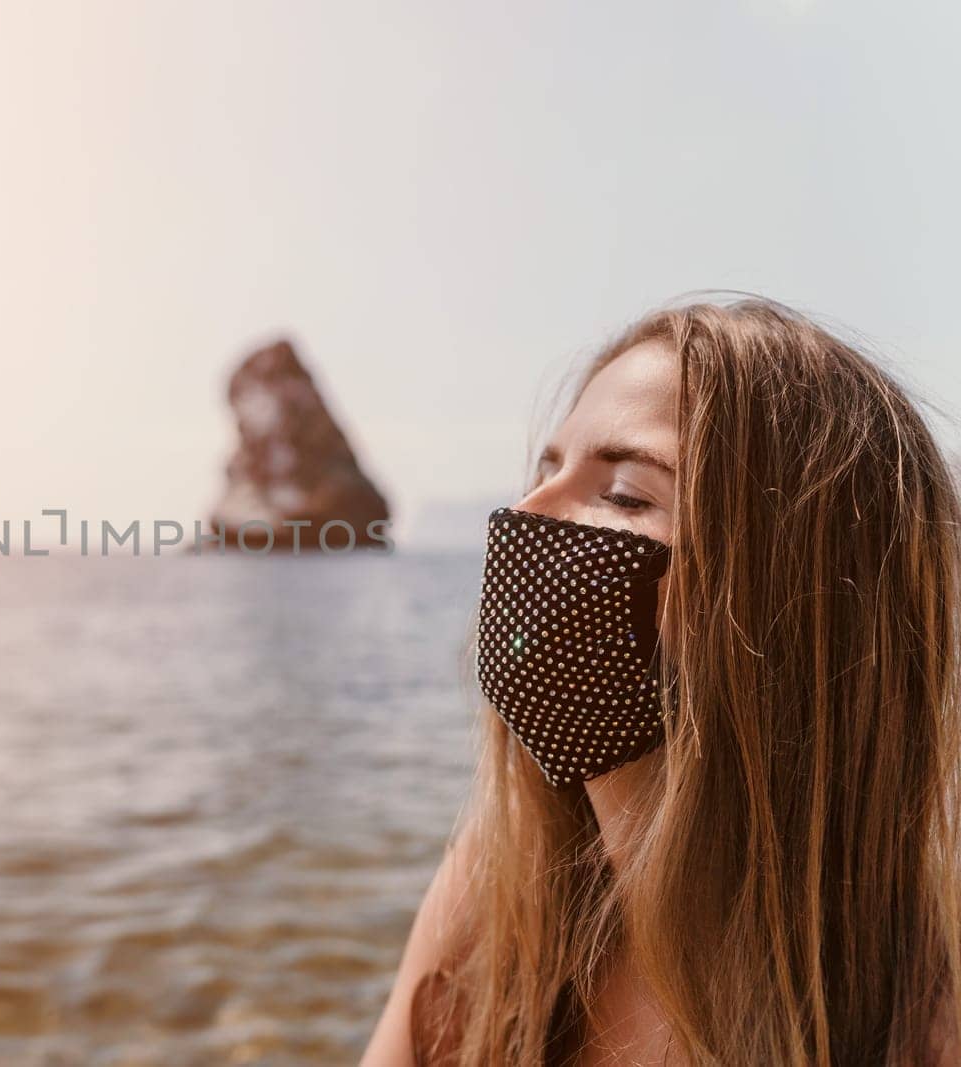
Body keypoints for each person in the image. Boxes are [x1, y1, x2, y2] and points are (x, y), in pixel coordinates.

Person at [358, 297, 961, 1066]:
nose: (523, 514)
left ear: (789, 601)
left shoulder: (915, 1022)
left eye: (623, 494)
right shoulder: (500, 884)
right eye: (545, 471)